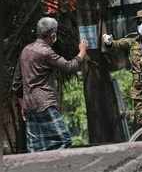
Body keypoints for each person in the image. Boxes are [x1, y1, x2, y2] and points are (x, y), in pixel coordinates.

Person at [12, 17, 88, 152]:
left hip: (29, 106)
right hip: (45, 104)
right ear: (53, 35)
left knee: (37, 148)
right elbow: (69, 66)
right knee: (64, 140)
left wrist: (23, 104)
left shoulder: (25, 50)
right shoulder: (46, 52)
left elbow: (17, 84)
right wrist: (82, 51)